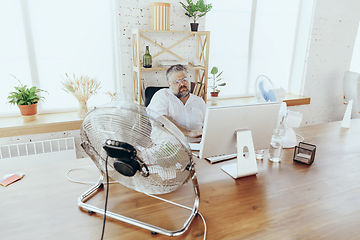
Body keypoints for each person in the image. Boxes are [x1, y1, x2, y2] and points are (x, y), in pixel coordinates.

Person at [147, 64, 207, 140]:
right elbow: (160, 120)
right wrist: (189, 132)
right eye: (177, 81)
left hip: (196, 147)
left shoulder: (199, 101)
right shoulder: (162, 95)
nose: (182, 84)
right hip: (168, 147)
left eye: (185, 80)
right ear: (169, 84)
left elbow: (208, 126)